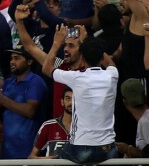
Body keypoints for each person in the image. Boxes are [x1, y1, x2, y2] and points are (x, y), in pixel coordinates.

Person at [43, 28, 119, 164]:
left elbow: (46, 69)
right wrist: (87, 41)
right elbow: (110, 63)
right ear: (102, 57)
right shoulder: (112, 75)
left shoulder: (76, 77)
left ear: (82, 57)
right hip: (107, 148)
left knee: (56, 159)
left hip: (81, 147)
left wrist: (56, 44)